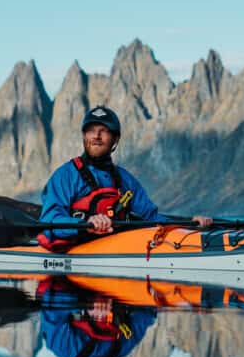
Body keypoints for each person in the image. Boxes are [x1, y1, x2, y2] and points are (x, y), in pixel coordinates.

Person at [37, 106, 212, 251]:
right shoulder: (65, 176)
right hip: (73, 250)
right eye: (91, 131)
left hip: (114, 248)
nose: (96, 136)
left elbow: (152, 217)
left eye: (103, 131)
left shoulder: (125, 180)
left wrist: (190, 224)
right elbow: (49, 219)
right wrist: (86, 222)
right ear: (84, 136)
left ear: (115, 138)